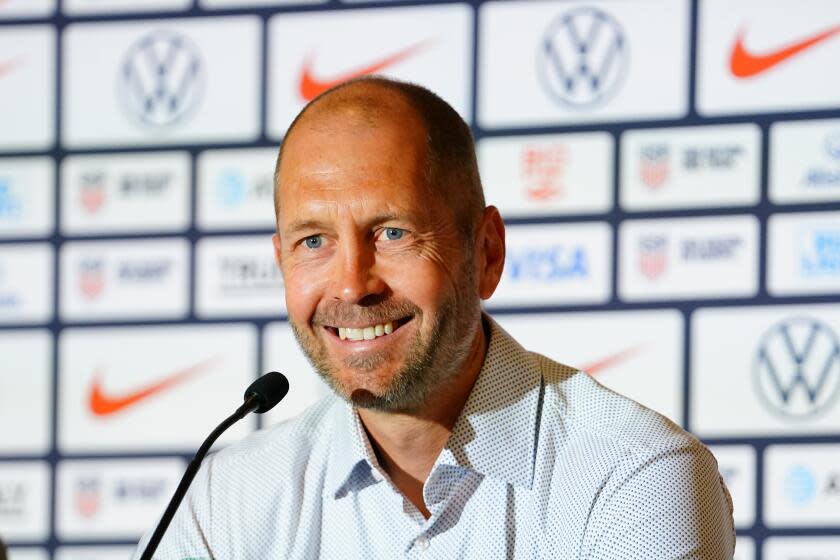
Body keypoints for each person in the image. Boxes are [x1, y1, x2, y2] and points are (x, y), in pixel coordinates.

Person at [134, 77, 735, 559]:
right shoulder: (222, 504)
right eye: (314, 241)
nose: (351, 284)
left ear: (487, 254)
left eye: (393, 233)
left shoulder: (632, 480)